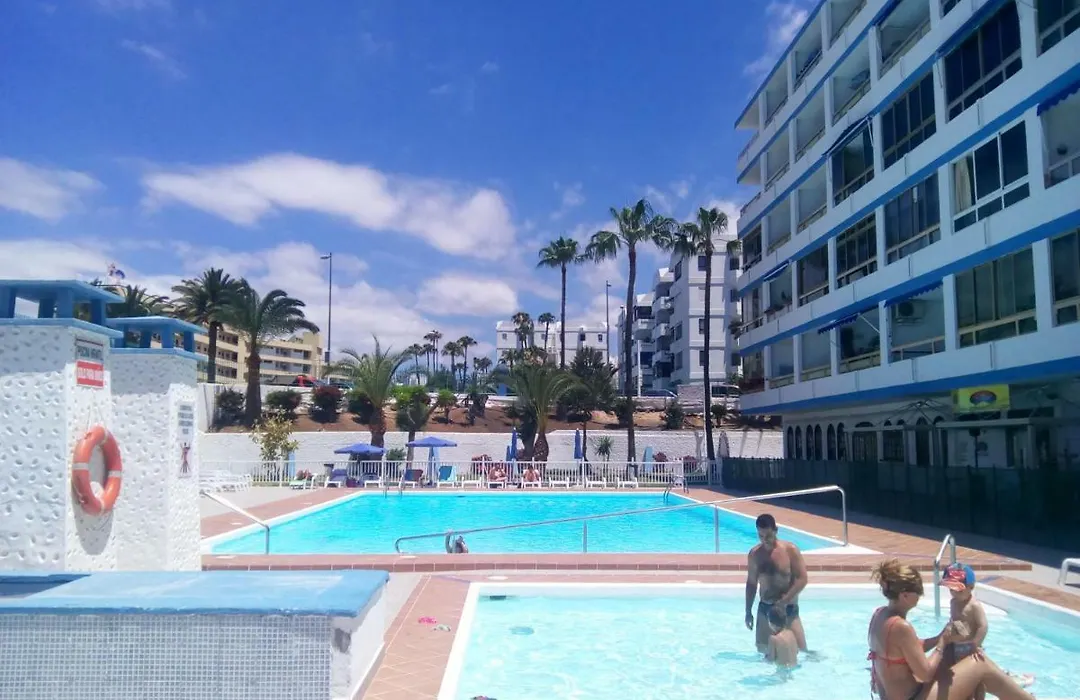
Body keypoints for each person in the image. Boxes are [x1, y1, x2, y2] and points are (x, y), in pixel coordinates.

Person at [867, 559, 1035, 700]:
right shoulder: (902, 627)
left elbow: (911, 647)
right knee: (980, 663)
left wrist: (941, 637)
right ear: (905, 596)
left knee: (951, 653)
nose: (920, 596)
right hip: (913, 697)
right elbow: (925, 674)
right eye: (918, 592)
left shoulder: (879, 615)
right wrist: (942, 642)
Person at [745, 513, 808, 653]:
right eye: (761, 536)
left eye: (768, 535)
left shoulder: (790, 550)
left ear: (776, 530)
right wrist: (748, 611)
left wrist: (783, 601)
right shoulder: (755, 555)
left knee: (802, 652)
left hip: (788, 609)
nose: (765, 540)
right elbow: (751, 583)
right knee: (763, 653)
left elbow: (802, 579)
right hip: (765, 608)